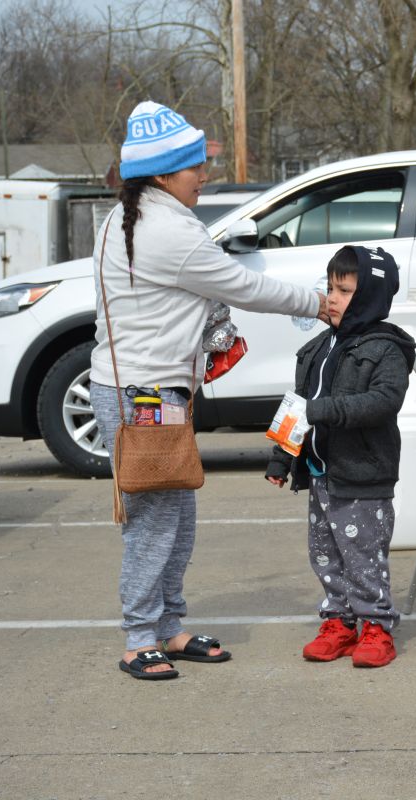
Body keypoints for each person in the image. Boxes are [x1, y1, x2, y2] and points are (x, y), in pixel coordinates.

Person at [91, 101, 327, 680]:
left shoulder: (132, 216)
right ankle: (139, 638)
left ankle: (168, 627)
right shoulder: (167, 230)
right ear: (163, 175)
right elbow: (242, 286)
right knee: (155, 523)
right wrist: (318, 303)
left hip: (151, 392)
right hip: (142, 397)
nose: (204, 175)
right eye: (195, 166)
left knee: (177, 517)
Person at [265, 244, 415, 669]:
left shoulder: (385, 349)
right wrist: (281, 458)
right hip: (321, 474)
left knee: (363, 555)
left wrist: (322, 410)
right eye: (330, 288)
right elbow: (298, 406)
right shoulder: (318, 347)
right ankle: (339, 621)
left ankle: (376, 626)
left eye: (344, 291)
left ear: (369, 296)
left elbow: (382, 402)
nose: (331, 298)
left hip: (362, 475)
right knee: (325, 553)